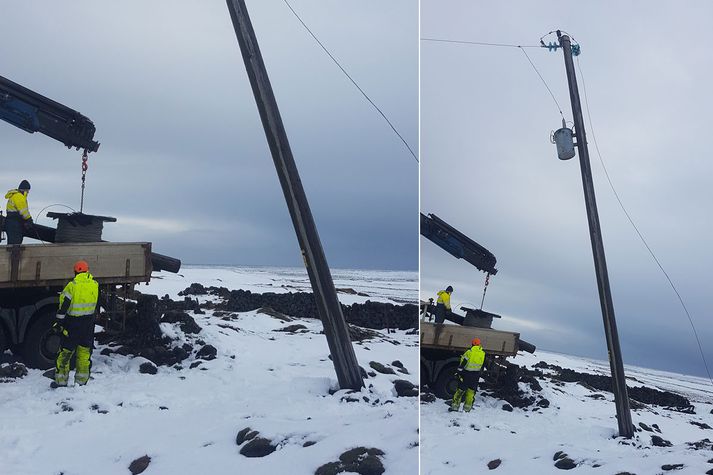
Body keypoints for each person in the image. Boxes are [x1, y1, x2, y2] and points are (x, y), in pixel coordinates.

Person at [52, 260, 99, 388]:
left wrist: (58, 323)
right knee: (84, 354)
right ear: (87, 270)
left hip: (73, 324)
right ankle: (81, 383)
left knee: (65, 354)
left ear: (75, 271)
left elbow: (63, 308)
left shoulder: (72, 286)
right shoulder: (95, 284)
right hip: (88, 324)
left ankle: (61, 382)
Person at [450, 337, 485, 412]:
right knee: (471, 393)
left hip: (466, 374)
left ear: (472, 344)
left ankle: (455, 407)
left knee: (460, 391)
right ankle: (467, 409)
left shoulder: (469, 352)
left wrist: (458, 372)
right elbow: (482, 364)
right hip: (475, 376)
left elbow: (463, 363)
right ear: (479, 344)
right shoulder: (482, 353)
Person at [4, 180, 33, 244]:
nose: (28, 192)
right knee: (15, 244)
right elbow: (23, 211)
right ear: (24, 190)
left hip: (11, 222)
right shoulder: (19, 197)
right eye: (28, 190)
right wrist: (29, 219)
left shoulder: (15, 195)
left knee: (12, 243)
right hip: (15, 223)